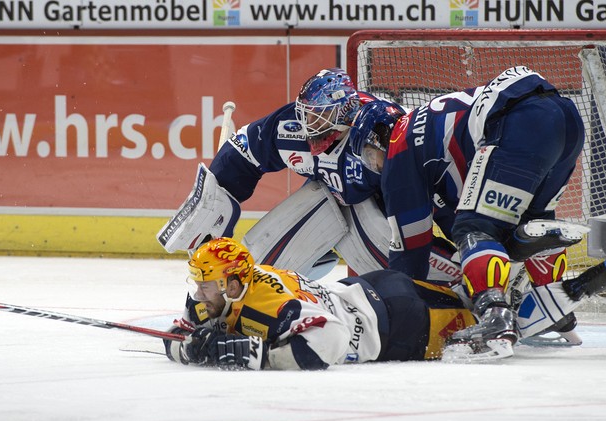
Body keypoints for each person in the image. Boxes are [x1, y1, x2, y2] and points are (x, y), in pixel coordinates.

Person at [349, 65, 586, 355]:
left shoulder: (399, 146)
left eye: (370, 156)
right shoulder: (428, 132)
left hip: (521, 122)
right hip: (567, 120)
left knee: (474, 228)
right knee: (531, 221)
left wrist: (400, 300)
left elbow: (411, 252)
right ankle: (552, 302)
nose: (375, 166)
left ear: (378, 137)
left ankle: (495, 316)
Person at [156, 68, 462, 284]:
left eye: (320, 116)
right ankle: (238, 296)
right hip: (328, 197)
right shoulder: (291, 126)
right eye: (306, 114)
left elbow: (428, 192)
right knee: (260, 265)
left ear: (346, 112)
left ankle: (462, 279)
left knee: (390, 262)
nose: (309, 125)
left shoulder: (379, 134)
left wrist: (464, 237)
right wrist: (211, 219)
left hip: (378, 211)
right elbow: (243, 155)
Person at [164, 238, 606, 370]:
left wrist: (244, 354)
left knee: (490, 327)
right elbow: (183, 328)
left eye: (206, 284)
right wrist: (189, 346)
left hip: (403, 325)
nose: (197, 292)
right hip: (378, 288)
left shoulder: (272, 305)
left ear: (232, 283)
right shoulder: (236, 285)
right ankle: (531, 268)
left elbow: (318, 347)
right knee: (471, 300)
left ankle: (582, 286)